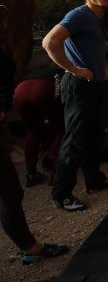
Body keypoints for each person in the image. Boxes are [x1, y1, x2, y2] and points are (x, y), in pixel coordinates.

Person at [42, 0, 108, 212]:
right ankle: (61, 194)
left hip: (93, 84)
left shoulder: (97, 17)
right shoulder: (79, 15)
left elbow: (97, 48)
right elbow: (49, 42)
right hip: (78, 85)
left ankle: (94, 180)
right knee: (75, 140)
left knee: (94, 134)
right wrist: (74, 69)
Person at [0, 48, 69, 265]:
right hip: (39, 92)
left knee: (33, 132)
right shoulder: (60, 75)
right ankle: (53, 169)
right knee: (9, 193)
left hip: (23, 93)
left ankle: (32, 173)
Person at [11, 67, 65, 187]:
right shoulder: (66, 70)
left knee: (32, 132)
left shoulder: (41, 70)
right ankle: (55, 173)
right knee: (62, 130)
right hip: (44, 87)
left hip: (20, 91)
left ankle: (31, 175)